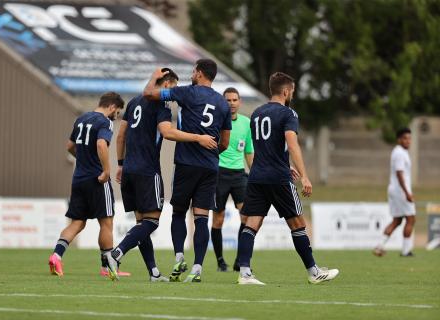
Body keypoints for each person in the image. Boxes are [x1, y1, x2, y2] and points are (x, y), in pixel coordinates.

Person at [105, 69, 217, 281]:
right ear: (166, 84)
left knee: (141, 224)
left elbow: (121, 136)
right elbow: (167, 132)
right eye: (173, 88)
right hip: (148, 171)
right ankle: (117, 253)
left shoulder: (134, 102)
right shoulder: (161, 105)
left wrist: (120, 164)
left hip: (129, 170)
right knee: (152, 223)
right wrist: (198, 138)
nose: (174, 94)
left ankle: (154, 273)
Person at [236, 72, 339, 285]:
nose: (292, 94)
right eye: (292, 91)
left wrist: (286, 164)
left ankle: (245, 273)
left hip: (257, 176)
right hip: (278, 178)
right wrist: (305, 177)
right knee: (298, 223)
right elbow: (291, 144)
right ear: (285, 91)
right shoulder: (289, 114)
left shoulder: (256, 113)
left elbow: (265, 147)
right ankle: (313, 272)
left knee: (251, 224)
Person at [142, 59, 232, 282]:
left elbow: (149, 94)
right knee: (202, 217)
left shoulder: (187, 93)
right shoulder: (222, 103)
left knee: (179, 213)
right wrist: (211, 152)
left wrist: (155, 76)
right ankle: (197, 268)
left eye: (193, 71)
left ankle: (179, 257)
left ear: (200, 74)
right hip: (210, 167)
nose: (191, 74)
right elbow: (225, 143)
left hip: (185, 163)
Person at [48, 92, 124, 278]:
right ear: (112, 107)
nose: (116, 117)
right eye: (118, 112)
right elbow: (101, 145)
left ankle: (56, 255)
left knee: (77, 223)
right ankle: (107, 268)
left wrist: (82, 160)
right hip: (96, 179)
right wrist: (106, 170)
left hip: (79, 178)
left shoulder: (81, 119)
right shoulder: (104, 122)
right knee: (106, 222)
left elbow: (69, 146)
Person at [210, 87, 253, 272]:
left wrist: (255, 174)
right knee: (218, 219)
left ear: (240, 102)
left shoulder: (246, 123)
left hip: (239, 175)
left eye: (235, 100)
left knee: (246, 216)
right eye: (228, 100)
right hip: (219, 173)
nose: (232, 103)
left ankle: (239, 260)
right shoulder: (217, 121)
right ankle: (220, 261)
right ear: (223, 102)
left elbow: (249, 151)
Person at [374, 128, 416, 257]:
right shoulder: (399, 153)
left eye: (409, 138)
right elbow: (399, 173)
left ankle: (379, 246)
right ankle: (406, 251)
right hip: (400, 191)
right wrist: (407, 192)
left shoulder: (400, 152)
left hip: (395, 190)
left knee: (397, 220)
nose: (408, 141)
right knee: (411, 218)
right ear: (399, 140)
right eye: (405, 138)